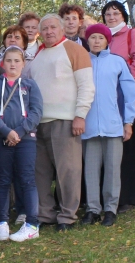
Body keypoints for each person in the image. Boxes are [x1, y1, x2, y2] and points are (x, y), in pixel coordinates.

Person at [25, 14, 95, 230]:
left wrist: (80, 115)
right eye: (44, 28)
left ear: (62, 28)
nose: (48, 31)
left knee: (68, 171)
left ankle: (67, 216)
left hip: (65, 120)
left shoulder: (74, 50)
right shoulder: (38, 54)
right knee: (41, 172)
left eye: (53, 27)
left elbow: (86, 86)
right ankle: (45, 214)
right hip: (39, 122)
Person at [0, 46, 44, 242]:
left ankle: (32, 224)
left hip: (25, 139)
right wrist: (7, 132)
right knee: (2, 179)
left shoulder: (30, 85)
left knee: (27, 179)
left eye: (16, 61)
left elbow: (36, 112)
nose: (12, 64)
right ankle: (2, 221)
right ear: (2, 63)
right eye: (9, 60)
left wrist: (19, 132)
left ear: (23, 63)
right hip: (3, 139)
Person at [82, 24, 135, 226]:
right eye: (93, 37)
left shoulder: (117, 62)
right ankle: (92, 209)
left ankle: (110, 209)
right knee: (91, 169)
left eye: (100, 38)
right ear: (87, 40)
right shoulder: (82, 61)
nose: (96, 41)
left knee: (113, 169)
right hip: (88, 126)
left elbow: (129, 94)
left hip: (113, 124)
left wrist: (128, 122)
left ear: (107, 41)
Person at [100, 0, 135, 212]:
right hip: (106, 106)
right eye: (108, 14)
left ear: (123, 16)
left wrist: (123, 83)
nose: (112, 17)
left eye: (116, 13)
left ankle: (128, 198)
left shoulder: (133, 35)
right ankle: (111, 197)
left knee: (129, 152)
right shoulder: (101, 38)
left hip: (129, 103)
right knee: (111, 154)